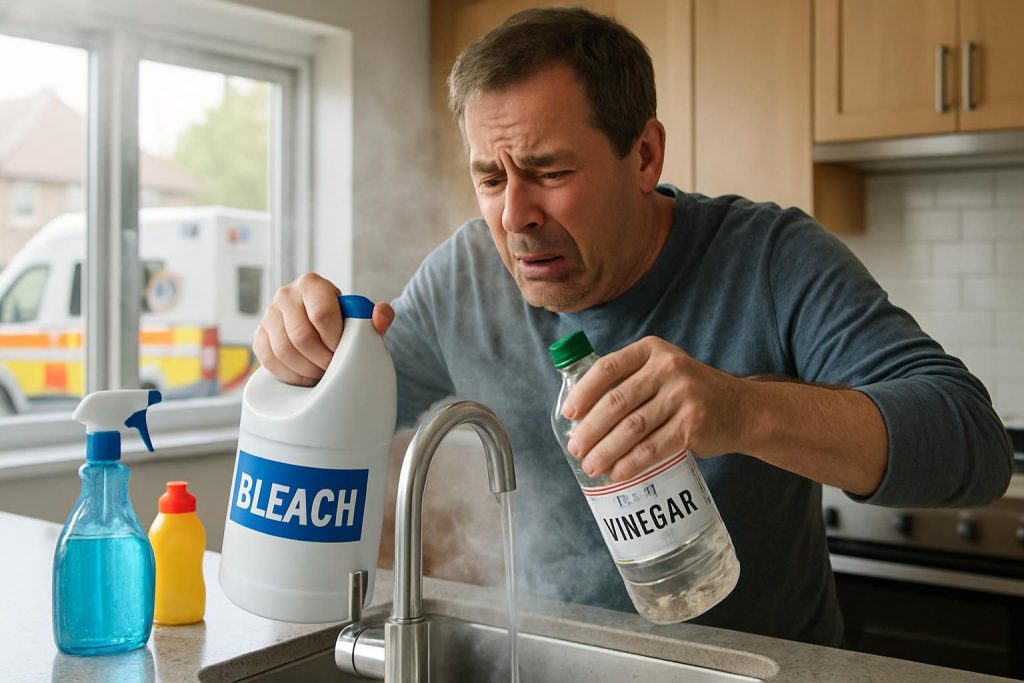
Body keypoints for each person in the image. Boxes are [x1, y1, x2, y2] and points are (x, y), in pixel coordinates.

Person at [253, 7, 1012, 646]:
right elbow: (351, 411)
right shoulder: (464, 278)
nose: (514, 215)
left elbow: (972, 444)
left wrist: (743, 409)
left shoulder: (770, 257)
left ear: (643, 154)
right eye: (491, 177)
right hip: (554, 659)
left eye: (549, 171)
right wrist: (302, 358)